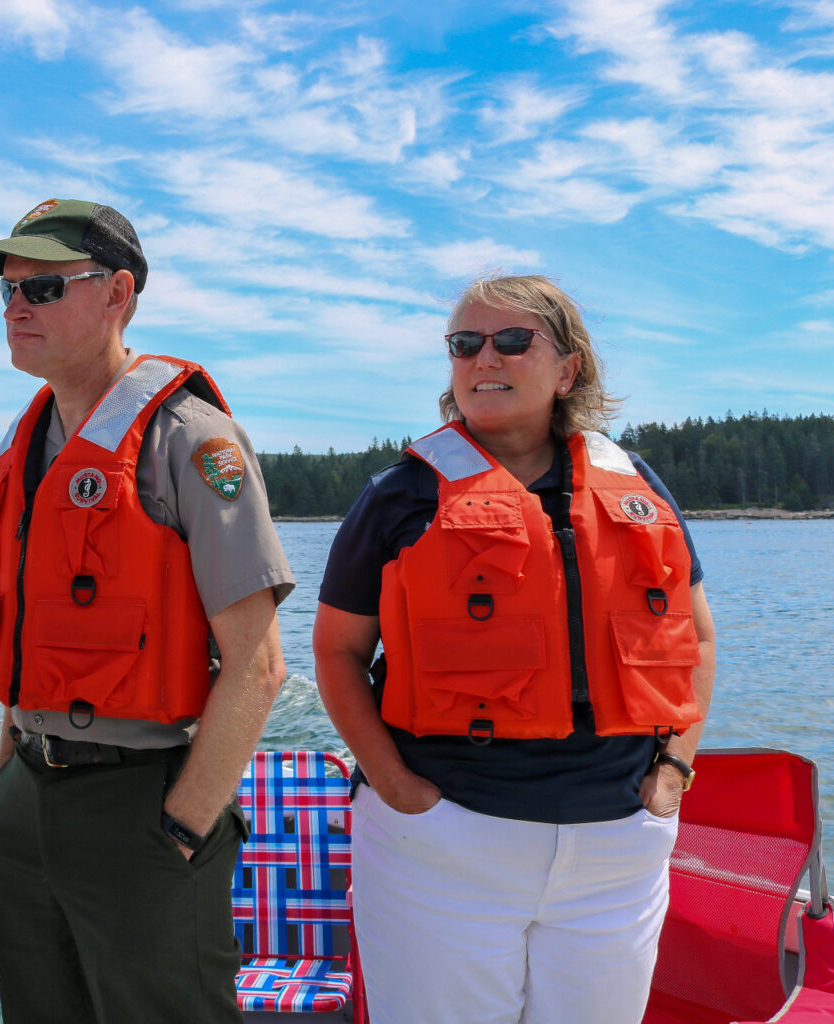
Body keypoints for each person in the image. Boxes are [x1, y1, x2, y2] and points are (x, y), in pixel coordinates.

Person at [313, 274, 716, 1024]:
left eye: (511, 340)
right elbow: (337, 652)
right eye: (464, 344)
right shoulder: (399, 495)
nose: (482, 358)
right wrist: (397, 787)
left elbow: (696, 636)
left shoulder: (636, 488)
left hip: (617, 848)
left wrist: (674, 770)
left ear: (568, 370)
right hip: (443, 843)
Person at [0, 198, 294, 1022]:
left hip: (144, 803)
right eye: (6, 292)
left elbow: (259, 662)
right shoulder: (26, 443)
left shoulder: (191, 438)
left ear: (117, 295)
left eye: (41, 288)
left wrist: (182, 830)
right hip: (27, 801)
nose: (15, 309)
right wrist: (8, 779)